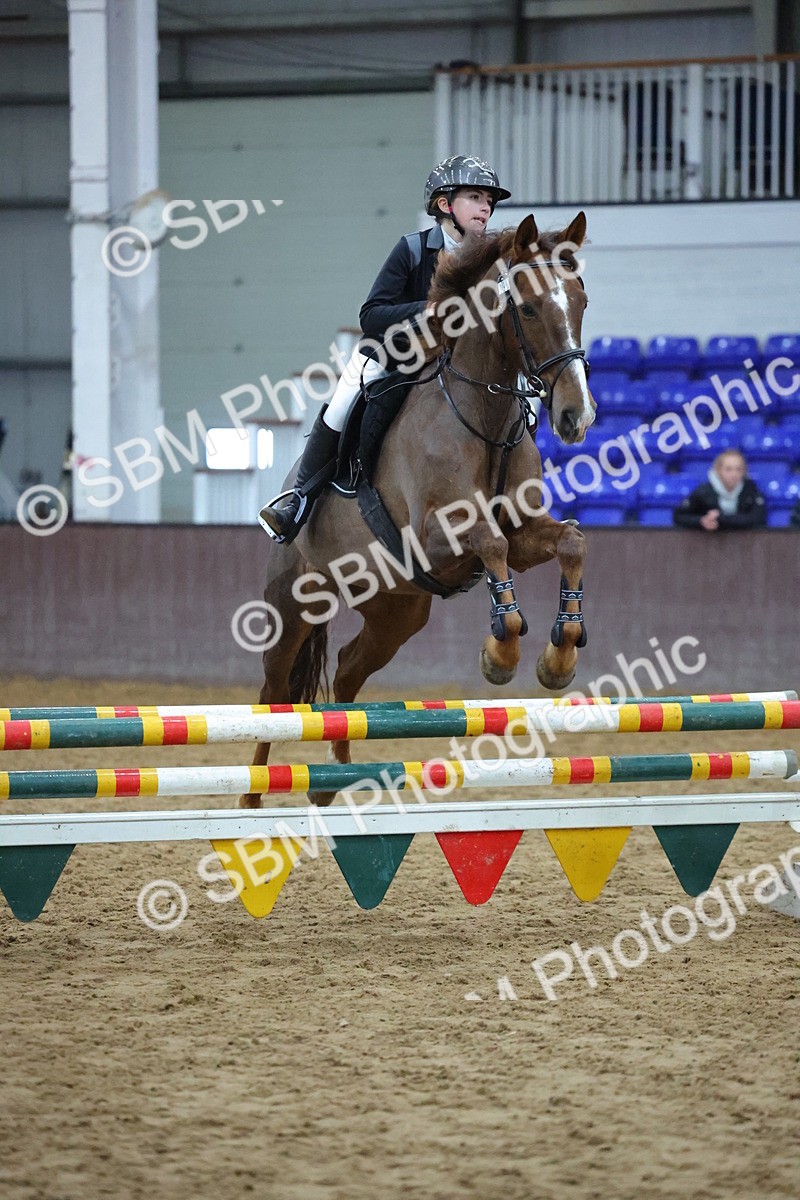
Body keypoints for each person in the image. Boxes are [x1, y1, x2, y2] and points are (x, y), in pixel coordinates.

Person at [258, 155, 511, 542]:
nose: (485, 207)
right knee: (343, 399)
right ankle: (297, 500)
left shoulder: (493, 261)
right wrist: (428, 310)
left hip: (457, 366)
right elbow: (371, 314)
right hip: (397, 355)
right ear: (445, 205)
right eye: (475, 197)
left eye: (489, 201)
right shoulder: (412, 249)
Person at [672, 450, 767, 530]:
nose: (734, 474)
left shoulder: (751, 490)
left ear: (744, 471)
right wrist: (701, 521)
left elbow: (758, 518)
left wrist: (721, 518)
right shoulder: (704, 491)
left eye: (738, 469)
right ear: (718, 470)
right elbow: (679, 516)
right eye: (728, 469)